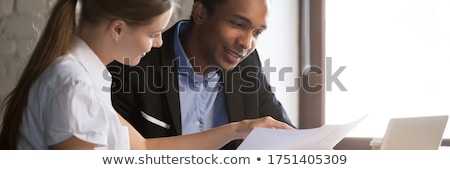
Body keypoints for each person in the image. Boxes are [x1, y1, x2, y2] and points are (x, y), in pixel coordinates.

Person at [0, 0, 293, 150]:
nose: (159, 42)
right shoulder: (74, 87)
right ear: (118, 29)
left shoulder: (86, 77)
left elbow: (143, 146)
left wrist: (237, 129)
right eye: (153, 33)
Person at [108, 0, 294, 150]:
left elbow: (285, 134)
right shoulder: (132, 64)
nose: (247, 43)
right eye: (238, 24)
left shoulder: (247, 63)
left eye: (257, 32)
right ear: (200, 13)